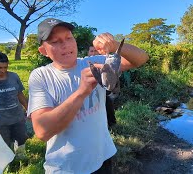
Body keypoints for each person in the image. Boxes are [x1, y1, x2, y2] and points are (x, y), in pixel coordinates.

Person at [27, 18, 149, 174]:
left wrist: (115, 45)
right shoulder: (41, 76)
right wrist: (81, 92)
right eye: (55, 41)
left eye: (69, 38)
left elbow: (141, 59)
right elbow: (42, 132)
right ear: (43, 51)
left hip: (103, 158)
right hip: (67, 167)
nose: (65, 45)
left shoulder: (92, 62)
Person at [88, 45, 117, 127]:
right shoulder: (84, 63)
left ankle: (111, 123)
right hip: (91, 91)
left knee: (108, 104)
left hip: (104, 87)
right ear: (88, 52)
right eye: (91, 51)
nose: (93, 53)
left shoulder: (104, 60)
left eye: (95, 51)